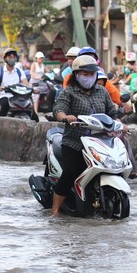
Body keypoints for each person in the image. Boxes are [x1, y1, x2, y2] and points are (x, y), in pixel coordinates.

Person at [50, 54, 124, 216]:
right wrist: (65, 117)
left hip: (100, 141)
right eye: (85, 74)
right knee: (70, 172)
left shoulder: (102, 92)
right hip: (75, 142)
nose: (89, 77)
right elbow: (58, 109)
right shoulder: (69, 92)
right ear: (76, 75)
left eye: (92, 74)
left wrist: (120, 124)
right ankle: (55, 211)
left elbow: (112, 113)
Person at [0, 48, 30, 116]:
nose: (12, 59)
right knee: (5, 104)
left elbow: (26, 84)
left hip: (18, 97)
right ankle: (1, 120)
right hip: (4, 96)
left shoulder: (19, 71)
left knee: (30, 109)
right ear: (5, 59)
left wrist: (32, 89)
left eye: (13, 57)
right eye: (10, 57)